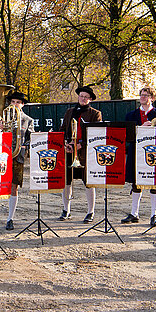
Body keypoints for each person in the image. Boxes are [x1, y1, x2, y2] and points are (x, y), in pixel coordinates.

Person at [0, 91, 34, 231]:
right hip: (1, 156)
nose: (15, 104)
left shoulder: (28, 120)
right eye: (12, 102)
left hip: (18, 156)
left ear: (22, 105)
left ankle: (10, 219)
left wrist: (25, 146)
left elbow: (31, 139)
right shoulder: (2, 118)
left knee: (13, 187)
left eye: (18, 102)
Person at [120, 86, 156, 226]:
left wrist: (152, 127)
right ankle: (134, 213)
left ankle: (154, 214)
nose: (142, 97)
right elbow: (127, 136)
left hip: (154, 152)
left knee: (154, 182)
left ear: (152, 98)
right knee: (136, 183)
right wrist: (139, 129)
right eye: (141, 95)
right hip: (136, 151)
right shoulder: (130, 115)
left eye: (146, 95)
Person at [58, 85, 103, 223]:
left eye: (86, 97)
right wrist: (66, 144)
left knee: (88, 182)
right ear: (78, 97)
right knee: (66, 182)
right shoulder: (69, 111)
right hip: (69, 151)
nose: (83, 99)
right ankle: (66, 210)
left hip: (86, 153)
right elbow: (63, 129)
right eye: (81, 96)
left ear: (90, 99)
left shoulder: (95, 113)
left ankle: (90, 211)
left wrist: (81, 144)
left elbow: (97, 134)